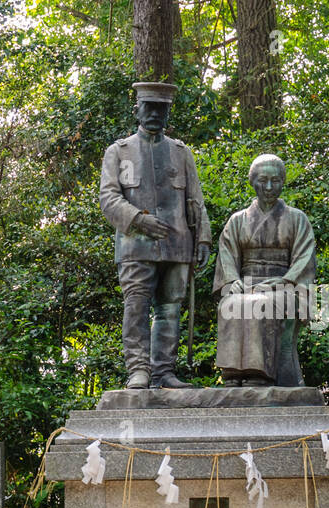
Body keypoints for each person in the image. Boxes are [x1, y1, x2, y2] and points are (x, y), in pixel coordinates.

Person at [99, 81, 212, 390]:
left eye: (161, 109)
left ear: (168, 113)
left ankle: (163, 372)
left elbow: (196, 199)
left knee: (170, 308)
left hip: (177, 245)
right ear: (137, 110)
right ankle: (138, 370)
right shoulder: (119, 152)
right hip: (135, 246)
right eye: (149, 108)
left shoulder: (180, 152)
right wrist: (139, 220)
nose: (154, 114)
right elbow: (108, 198)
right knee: (136, 305)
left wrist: (203, 239)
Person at [213, 154, 316, 387]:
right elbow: (227, 256)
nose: (269, 187)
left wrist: (286, 280)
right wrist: (233, 281)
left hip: (284, 285)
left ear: (282, 182)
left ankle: (259, 373)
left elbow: (304, 258)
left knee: (264, 303)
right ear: (253, 182)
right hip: (246, 284)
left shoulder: (297, 219)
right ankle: (233, 373)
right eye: (262, 180)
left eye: (275, 180)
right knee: (231, 303)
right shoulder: (237, 220)